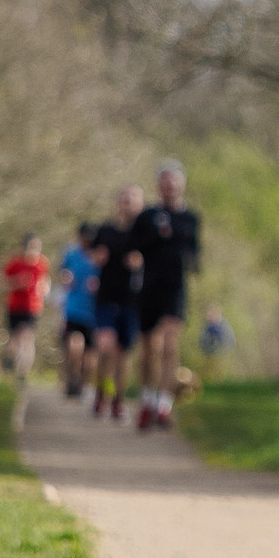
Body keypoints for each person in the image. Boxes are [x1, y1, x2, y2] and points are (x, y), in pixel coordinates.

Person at [131, 162, 201, 431]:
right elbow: (133, 248)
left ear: (182, 185)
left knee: (170, 346)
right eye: (165, 182)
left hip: (175, 290)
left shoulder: (190, 218)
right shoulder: (147, 216)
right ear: (159, 186)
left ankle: (164, 405)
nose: (170, 187)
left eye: (174, 182)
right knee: (150, 349)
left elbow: (194, 252)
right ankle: (147, 400)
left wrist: (191, 261)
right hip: (148, 289)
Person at [89, 186, 145, 421]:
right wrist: (98, 258)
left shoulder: (144, 235)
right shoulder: (105, 230)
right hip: (106, 298)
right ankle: (101, 392)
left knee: (123, 355)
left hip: (132, 302)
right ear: (117, 203)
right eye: (124, 199)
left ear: (140, 204)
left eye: (132, 200)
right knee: (105, 347)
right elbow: (93, 256)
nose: (127, 204)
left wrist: (140, 263)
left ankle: (117, 401)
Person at [57, 222, 102, 398]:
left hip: (93, 313)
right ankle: (71, 379)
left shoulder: (99, 257)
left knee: (90, 357)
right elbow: (62, 273)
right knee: (74, 346)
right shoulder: (71, 254)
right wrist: (65, 278)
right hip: (73, 310)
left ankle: (82, 384)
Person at [1, 235, 51, 380]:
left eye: (36, 247)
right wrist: (18, 283)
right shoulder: (15, 264)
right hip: (15, 307)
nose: (34, 250)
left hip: (32, 308)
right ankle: (10, 360)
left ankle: (22, 373)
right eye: (31, 247)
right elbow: (4, 282)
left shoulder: (42, 264)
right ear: (24, 247)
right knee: (15, 340)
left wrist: (44, 289)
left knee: (27, 338)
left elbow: (46, 283)